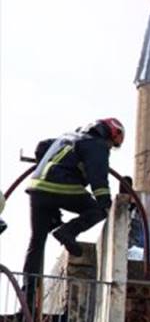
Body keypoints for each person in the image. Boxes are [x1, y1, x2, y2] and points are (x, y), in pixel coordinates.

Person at [23, 118, 123, 283]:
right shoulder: (97, 145)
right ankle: (67, 231)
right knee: (98, 210)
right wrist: (106, 203)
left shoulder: (66, 137)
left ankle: (27, 294)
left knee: (36, 242)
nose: (110, 148)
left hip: (37, 189)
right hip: (62, 186)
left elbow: (41, 146)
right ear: (110, 135)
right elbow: (98, 178)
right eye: (112, 144)